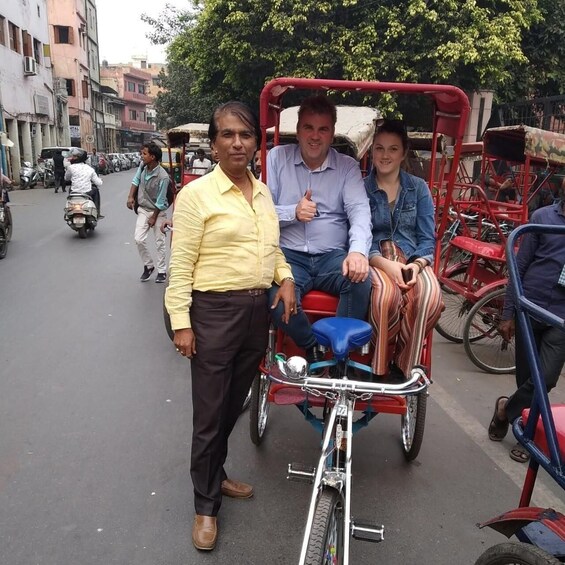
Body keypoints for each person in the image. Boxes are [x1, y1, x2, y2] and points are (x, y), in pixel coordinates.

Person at [165, 101, 295, 551]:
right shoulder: (196, 196)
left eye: (245, 134)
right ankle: (205, 506)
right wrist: (181, 324)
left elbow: (271, 249)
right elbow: (179, 267)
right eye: (227, 135)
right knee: (208, 415)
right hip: (212, 315)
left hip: (255, 314)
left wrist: (287, 278)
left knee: (231, 406)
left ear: (256, 143)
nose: (237, 142)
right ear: (214, 144)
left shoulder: (261, 195)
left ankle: (216, 476)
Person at [267, 94, 372, 371]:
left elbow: (360, 212)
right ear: (298, 130)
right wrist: (293, 212)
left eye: (323, 129)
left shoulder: (347, 167)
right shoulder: (276, 158)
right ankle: (312, 345)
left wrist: (358, 252)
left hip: (331, 257)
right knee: (274, 298)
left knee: (361, 279)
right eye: (308, 128)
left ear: (332, 133)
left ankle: (341, 358)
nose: (315, 136)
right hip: (289, 257)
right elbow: (260, 213)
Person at [488, 195, 565, 462]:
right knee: (527, 378)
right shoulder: (542, 218)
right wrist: (508, 313)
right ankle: (526, 425)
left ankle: (507, 413)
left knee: (545, 378)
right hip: (529, 307)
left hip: (561, 317)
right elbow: (518, 267)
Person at [365, 119, 443, 379]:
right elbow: (356, 237)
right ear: (371, 151)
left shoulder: (418, 188)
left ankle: (404, 363)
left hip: (411, 256)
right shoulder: (360, 187)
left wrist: (416, 265)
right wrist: (385, 265)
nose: (385, 155)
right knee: (385, 297)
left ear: (403, 153)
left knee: (430, 296)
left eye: (392, 149)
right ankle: (379, 365)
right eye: (379, 148)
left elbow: (426, 238)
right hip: (375, 257)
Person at [126, 142, 170, 283]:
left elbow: (161, 200)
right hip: (144, 209)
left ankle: (162, 270)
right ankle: (149, 265)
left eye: (144, 154)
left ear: (152, 157)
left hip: (158, 212)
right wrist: (130, 196)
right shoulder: (143, 166)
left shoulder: (163, 176)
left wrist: (154, 217)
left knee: (159, 242)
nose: (141, 156)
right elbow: (136, 180)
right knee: (139, 238)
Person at [64, 147, 102, 215]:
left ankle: (70, 207)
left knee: (70, 189)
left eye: (74, 156)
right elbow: (99, 183)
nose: (72, 158)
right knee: (95, 190)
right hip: (87, 192)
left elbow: (66, 178)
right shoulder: (89, 169)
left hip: (74, 192)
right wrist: (100, 180)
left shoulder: (70, 167)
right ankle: (97, 212)